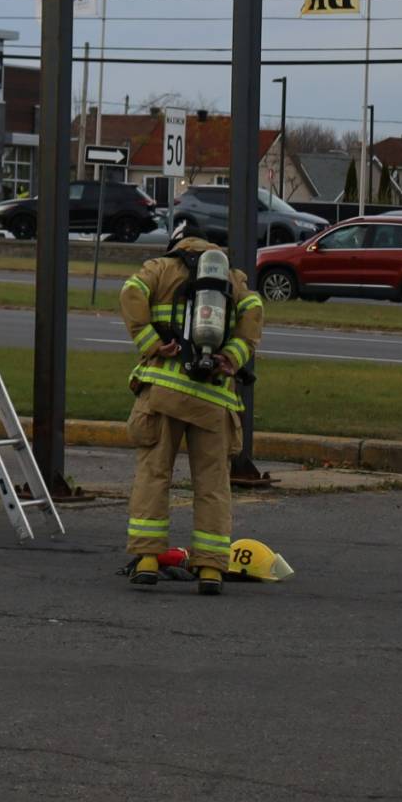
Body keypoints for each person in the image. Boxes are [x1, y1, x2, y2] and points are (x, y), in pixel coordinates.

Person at [120, 234, 263, 594]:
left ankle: (148, 559)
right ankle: (211, 569)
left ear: (177, 245)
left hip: (164, 394)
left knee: (155, 475)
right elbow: (254, 310)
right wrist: (233, 356)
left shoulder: (161, 268)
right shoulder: (232, 277)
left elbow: (131, 291)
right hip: (213, 399)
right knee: (213, 485)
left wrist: (150, 342)